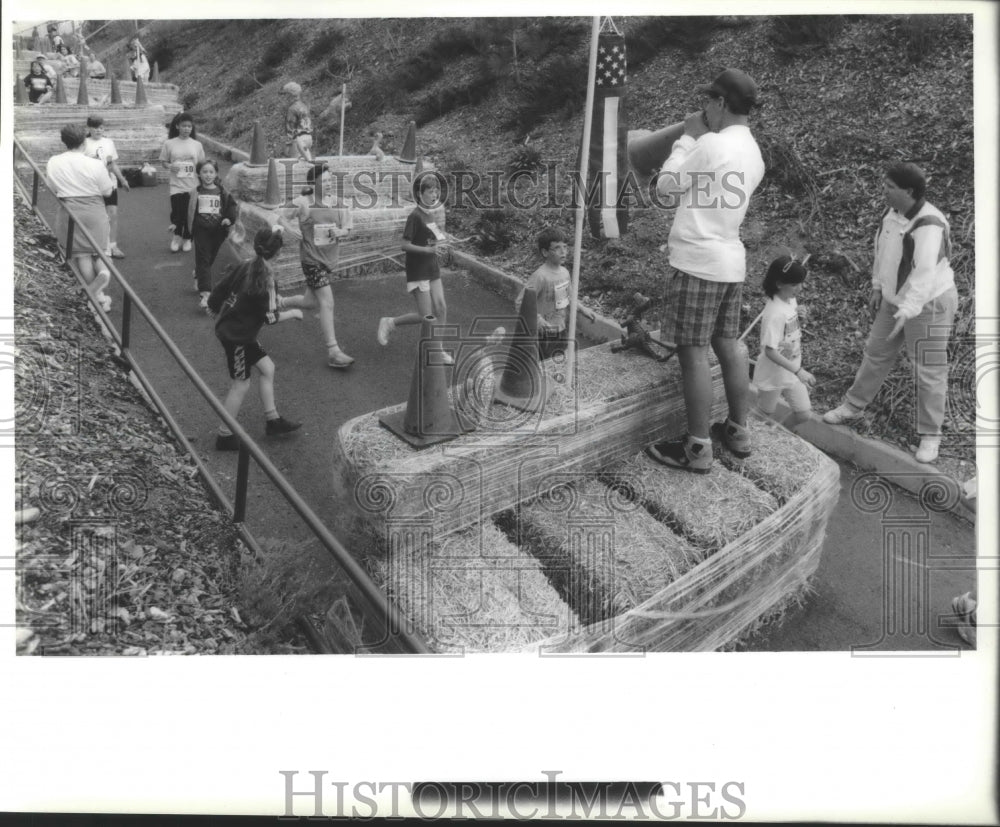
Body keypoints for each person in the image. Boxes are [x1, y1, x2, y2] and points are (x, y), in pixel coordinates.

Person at [645, 68, 765, 474]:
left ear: (719, 103)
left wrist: (685, 139)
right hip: (731, 260)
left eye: (709, 103)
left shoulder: (711, 143)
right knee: (729, 344)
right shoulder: (754, 151)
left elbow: (665, 187)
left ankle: (697, 448)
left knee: (692, 354)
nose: (706, 111)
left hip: (697, 260)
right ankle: (737, 430)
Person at [822, 162, 958, 464]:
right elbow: (883, 251)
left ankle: (931, 434)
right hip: (894, 299)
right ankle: (853, 405)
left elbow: (924, 274)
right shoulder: (892, 215)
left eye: (889, 187)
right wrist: (877, 287)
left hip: (928, 304)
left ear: (908, 191)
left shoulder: (929, 225)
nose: (883, 190)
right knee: (876, 352)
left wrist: (907, 312)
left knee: (928, 368)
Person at [206, 227, 304, 451]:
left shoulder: (248, 263)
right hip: (237, 336)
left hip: (236, 328)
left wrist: (213, 305)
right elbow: (270, 318)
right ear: (277, 255)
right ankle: (224, 435)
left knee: (267, 368)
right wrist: (293, 313)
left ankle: (273, 420)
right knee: (241, 384)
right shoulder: (268, 279)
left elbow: (223, 285)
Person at [278, 162, 355, 368]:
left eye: (331, 180)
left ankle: (280, 303)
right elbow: (281, 215)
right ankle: (334, 351)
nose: (329, 184)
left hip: (329, 260)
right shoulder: (303, 202)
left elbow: (348, 226)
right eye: (324, 181)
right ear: (314, 183)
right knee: (327, 303)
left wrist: (341, 232)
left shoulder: (339, 203)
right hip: (311, 260)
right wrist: (289, 228)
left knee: (309, 302)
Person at [376, 172, 452, 364]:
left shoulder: (431, 214)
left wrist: (444, 241)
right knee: (425, 316)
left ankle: (436, 349)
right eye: (430, 191)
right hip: (418, 268)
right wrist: (428, 250)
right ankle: (390, 322)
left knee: (441, 308)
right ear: (420, 194)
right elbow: (404, 244)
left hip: (432, 266)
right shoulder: (415, 216)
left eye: (436, 191)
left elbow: (435, 237)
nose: (435, 195)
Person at [46, 123, 114, 312]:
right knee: (101, 250)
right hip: (94, 210)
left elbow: (52, 188)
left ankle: (98, 297)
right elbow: (107, 191)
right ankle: (103, 274)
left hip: (69, 210)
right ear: (84, 140)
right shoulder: (94, 163)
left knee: (81, 254)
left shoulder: (53, 161)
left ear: (64, 141)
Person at [751, 256, 816, 428]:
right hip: (775, 372)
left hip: (791, 369)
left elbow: (789, 319)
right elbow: (770, 351)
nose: (800, 289)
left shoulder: (789, 299)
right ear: (779, 284)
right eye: (795, 285)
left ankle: (779, 433)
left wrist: (799, 312)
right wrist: (799, 371)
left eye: (801, 283)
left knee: (803, 413)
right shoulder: (774, 313)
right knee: (763, 413)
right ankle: (745, 432)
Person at [513, 226, 581, 361]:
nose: (563, 252)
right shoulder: (540, 276)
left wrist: (583, 310)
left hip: (561, 329)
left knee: (559, 362)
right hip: (543, 334)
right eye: (557, 248)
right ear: (545, 252)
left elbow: (570, 297)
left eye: (565, 247)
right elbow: (520, 302)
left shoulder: (565, 273)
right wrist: (540, 322)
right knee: (543, 365)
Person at [186, 159, 239, 309]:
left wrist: (228, 219)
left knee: (209, 258)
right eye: (204, 172)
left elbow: (231, 208)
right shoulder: (195, 192)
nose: (208, 175)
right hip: (201, 230)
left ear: (216, 173)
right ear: (199, 174)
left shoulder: (222, 192)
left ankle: (198, 273)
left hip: (218, 232)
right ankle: (206, 294)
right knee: (203, 258)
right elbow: (189, 212)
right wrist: (187, 229)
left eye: (211, 172)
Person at [84, 116, 130, 260]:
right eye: (96, 127)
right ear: (89, 128)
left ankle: (113, 245)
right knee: (95, 216)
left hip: (110, 183)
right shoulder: (84, 143)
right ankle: (95, 246)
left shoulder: (109, 142)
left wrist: (122, 180)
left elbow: (112, 164)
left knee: (113, 214)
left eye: (101, 128)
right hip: (92, 186)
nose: (99, 130)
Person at [159, 112, 206, 253]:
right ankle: (177, 236)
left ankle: (187, 238)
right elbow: (163, 162)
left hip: (193, 185)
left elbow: (202, 165)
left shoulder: (197, 145)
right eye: (184, 126)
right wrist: (170, 166)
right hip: (176, 185)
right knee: (177, 212)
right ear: (177, 126)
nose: (187, 129)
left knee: (190, 214)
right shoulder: (169, 143)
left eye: (189, 126)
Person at [282, 82, 314, 161]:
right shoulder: (304, 106)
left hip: (298, 140)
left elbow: (290, 128)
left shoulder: (292, 109)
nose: (285, 98)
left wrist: (288, 144)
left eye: (286, 95)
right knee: (305, 163)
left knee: (294, 164)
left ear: (290, 95)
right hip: (308, 137)